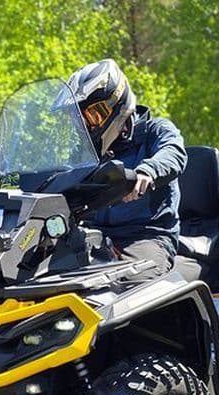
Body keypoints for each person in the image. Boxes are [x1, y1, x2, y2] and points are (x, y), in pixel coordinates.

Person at [68, 58, 187, 278]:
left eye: (94, 115)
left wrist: (147, 171)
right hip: (93, 236)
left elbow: (174, 154)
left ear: (117, 104)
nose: (86, 126)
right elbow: (62, 177)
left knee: (131, 286)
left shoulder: (156, 131)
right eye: (80, 119)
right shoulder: (84, 152)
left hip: (146, 237)